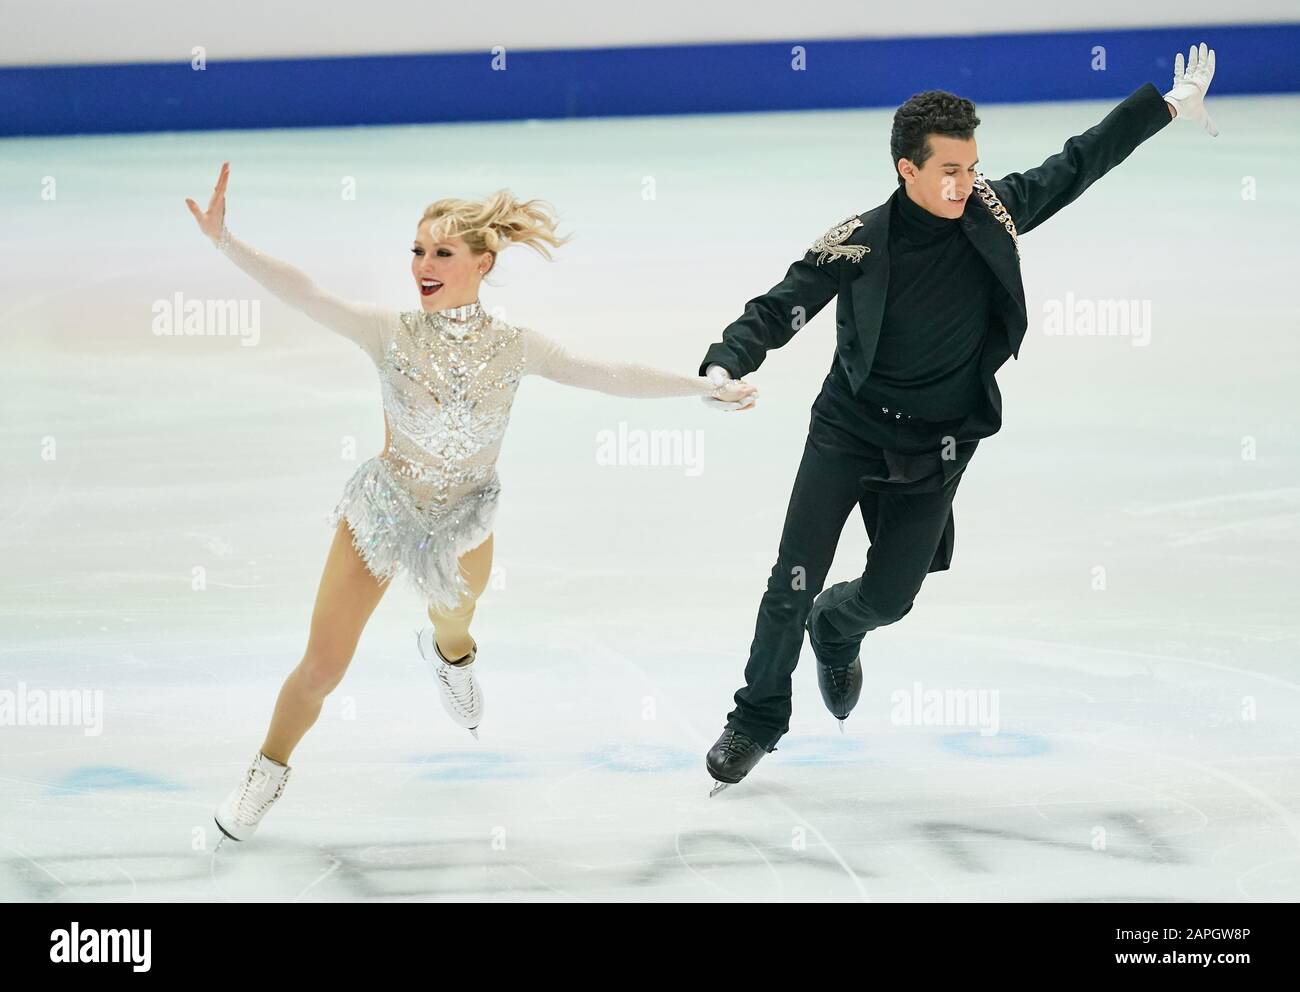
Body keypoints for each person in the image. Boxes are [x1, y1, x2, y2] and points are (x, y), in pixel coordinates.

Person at [699, 44, 1218, 794]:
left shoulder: (993, 212)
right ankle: (756, 720)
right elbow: (780, 306)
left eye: (971, 167)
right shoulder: (857, 240)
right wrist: (726, 361)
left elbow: (1079, 162)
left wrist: (1166, 105)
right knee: (792, 578)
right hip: (847, 428)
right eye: (949, 170)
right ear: (906, 169)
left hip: (938, 442)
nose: (964, 183)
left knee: (891, 598)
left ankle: (836, 630)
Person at [184, 164, 757, 841]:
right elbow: (305, 293)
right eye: (418, 251)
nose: (423, 265)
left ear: (482, 263)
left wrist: (699, 387)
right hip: (385, 512)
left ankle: (446, 657)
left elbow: (608, 373)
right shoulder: (386, 331)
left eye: (441, 253)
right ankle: (265, 773)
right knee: (324, 665)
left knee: (455, 626)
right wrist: (226, 241)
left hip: (464, 519)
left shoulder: (515, 347)